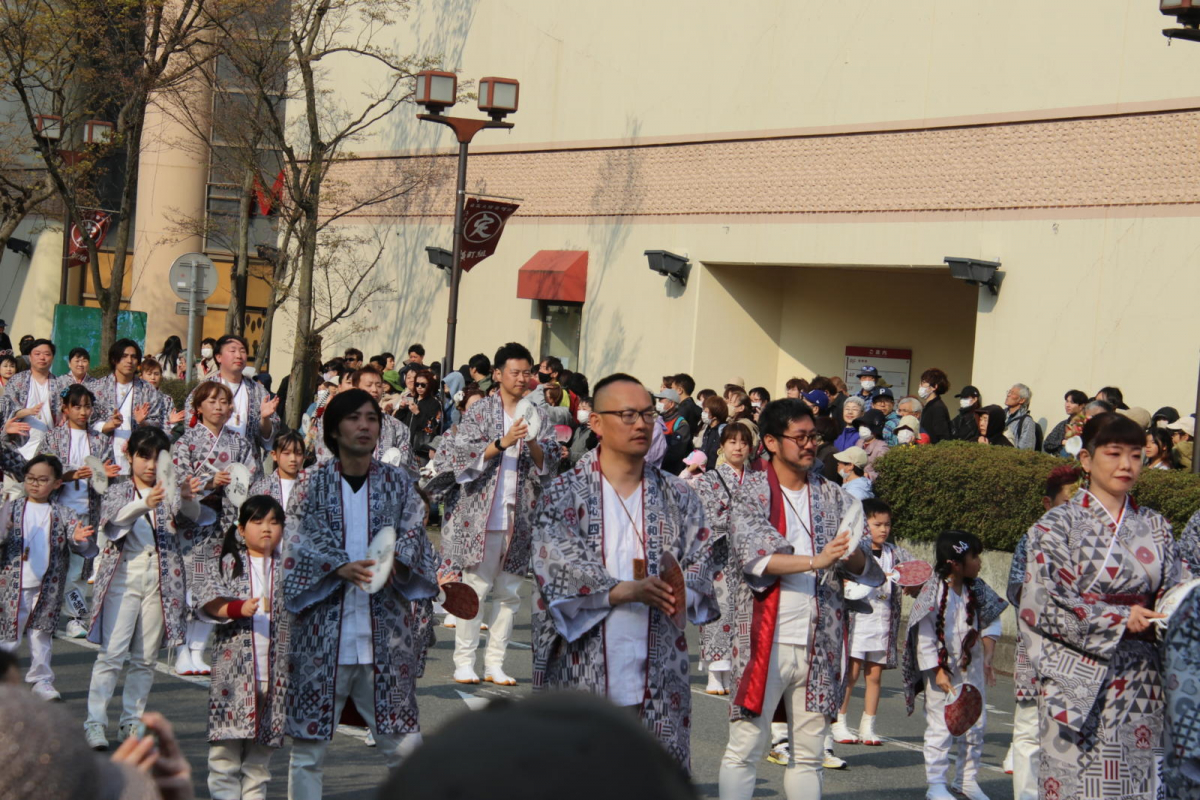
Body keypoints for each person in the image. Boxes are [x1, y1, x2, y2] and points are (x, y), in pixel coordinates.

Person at [530, 372, 718, 767]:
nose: (641, 424)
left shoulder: (679, 494)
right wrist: (626, 590)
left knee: (650, 777)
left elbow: (702, 557)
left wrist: (682, 586)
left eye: (648, 414)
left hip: (660, 658)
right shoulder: (564, 493)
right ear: (595, 422)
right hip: (584, 657)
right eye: (627, 414)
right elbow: (555, 564)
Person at [719, 398, 883, 800]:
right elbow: (754, 556)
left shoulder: (835, 495)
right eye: (801, 437)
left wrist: (852, 554)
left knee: (809, 754)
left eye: (814, 437)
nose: (810, 445)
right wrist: (817, 559)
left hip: (819, 640)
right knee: (746, 747)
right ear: (772, 442)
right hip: (763, 639)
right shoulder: (751, 491)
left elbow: (863, 563)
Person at [283, 389, 441, 799]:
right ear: (334, 429)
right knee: (308, 749)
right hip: (321, 635)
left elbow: (414, 534)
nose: (365, 426)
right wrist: (335, 565)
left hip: (385, 635)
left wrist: (395, 565)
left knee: (405, 746)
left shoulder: (397, 483)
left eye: (372, 418)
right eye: (354, 418)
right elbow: (294, 542)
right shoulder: (311, 484)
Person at [1021, 412, 1182, 800]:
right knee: (1078, 782)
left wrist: (1174, 609)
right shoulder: (1054, 526)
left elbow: (1175, 591)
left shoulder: (1157, 527)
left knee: (1140, 780)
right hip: (1078, 679)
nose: (1126, 465)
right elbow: (1045, 602)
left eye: (1137, 455)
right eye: (1114, 454)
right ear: (1087, 461)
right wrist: (1119, 618)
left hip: (1144, 675)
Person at [442, 342, 559, 686]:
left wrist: (533, 440)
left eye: (527, 372)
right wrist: (505, 440)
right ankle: (464, 661)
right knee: (474, 588)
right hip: (482, 514)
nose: (523, 378)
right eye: (515, 372)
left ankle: (495, 662)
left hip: (519, 515)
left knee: (509, 594)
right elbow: (462, 457)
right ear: (498, 374)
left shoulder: (538, 412)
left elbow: (549, 461)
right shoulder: (480, 411)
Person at [84, 426, 203, 751]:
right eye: (143, 456)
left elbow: (192, 520)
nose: (150, 465)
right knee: (112, 654)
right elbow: (113, 525)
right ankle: (95, 722)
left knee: (146, 657)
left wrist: (189, 499)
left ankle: (131, 721)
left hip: (162, 577)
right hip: (124, 574)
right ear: (130, 456)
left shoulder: (170, 490)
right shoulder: (119, 489)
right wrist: (144, 503)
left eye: (156, 458)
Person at [193, 495, 290, 800]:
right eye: (258, 521)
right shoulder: (226, 563)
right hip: (234, 674)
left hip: (278, 673)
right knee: (225, 751)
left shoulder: (292, 568)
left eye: (274, 522)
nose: (266, 529)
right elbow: (208, 602)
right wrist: (237, 608)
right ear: (240, 528)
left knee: (261, 756)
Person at [902, 530, 1006, 800]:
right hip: (942, 670)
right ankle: (936, 783)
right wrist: (936, 671)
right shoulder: (932, 592)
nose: (980, 562)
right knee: (941, 725)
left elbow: (993, 619)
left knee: (976, 724)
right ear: (955, 563)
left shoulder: (978, 587)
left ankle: (966, 781)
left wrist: (989, 654)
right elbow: (923, 635)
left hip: (972, 667)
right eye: (975, 556)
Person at [170, 381, 261, 676]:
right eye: (211, 401)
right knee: (188, 588)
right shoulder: (186, 443)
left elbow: (250, 479)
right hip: (192, 523)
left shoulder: (240, 444)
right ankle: (182, 649)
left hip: (224, 525)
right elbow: (178, 482)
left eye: (224, 402)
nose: (219, 407)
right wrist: (208, 483)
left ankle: (198, 651)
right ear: (198, 408)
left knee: (214, 587)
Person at [1003, 463, 1083, 800]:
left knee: (1076, 736)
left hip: (1085, 648)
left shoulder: (1100, 539)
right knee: (1029, 731)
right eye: (1069, 503)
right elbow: (1017, 591)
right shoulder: (1033, 535)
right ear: (1047, 504)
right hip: (1037, 645)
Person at [0, 454, 97, 701]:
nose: (34, 484)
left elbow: (81, 547)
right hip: (14, 583)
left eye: (42, 479)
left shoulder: (63, 513)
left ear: (56, 483)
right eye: (30, 478)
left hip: (48, 585)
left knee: (41, 634)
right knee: (9, 633)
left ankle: (41, 680)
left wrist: (79, 539)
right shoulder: (12, 508)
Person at [832, 498, 915, 747]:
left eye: (887, 524)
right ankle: (839, 721)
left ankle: (868, 726)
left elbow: (916, 570)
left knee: (875, 676)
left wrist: (914, 584)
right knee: (852, 673)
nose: (883, 529)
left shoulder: (896, 552)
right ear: (864, 525)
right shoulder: (857, 550)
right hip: (859, 620)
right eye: (877, 524)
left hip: (883, 621)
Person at [40, 384, 119, 639]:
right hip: (55, 511)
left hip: (86, 512)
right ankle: (43, 616)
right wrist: (70, 474)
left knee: (77, 570)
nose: (83, 411)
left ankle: (76, 617)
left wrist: (103, 475)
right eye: (77, 406)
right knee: (50, 567)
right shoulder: (53, 437)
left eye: (87, 406)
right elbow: (41, 473)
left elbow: (110, 475)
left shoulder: (99, 440)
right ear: (65, 408)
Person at [694, 422, 754, 696]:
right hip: (718, 555)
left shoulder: (759, 481)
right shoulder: (708, 480)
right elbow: (703, 516)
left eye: (743, 442)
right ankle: (714, 671)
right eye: (732, 442)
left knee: (745, 613)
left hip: (749, 558)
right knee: (719, 611)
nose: (738, 447)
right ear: (722, 447)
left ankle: (732, 670)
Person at [185, 335, 279, 461]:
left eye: (242, 351)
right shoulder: (204, 389)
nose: (238, 356)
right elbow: (190, 425)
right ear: (218, 357)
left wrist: (265, 418)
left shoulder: (258, 391)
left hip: (247, 466)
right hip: (210, 463)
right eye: (232, 351)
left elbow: (268, 437)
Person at [92, 339, 170, 475]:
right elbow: (87, 421)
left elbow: (158, 423)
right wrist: (108, 426)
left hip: (138, 455)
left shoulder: (148, 390)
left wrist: (143, 422)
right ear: (114, 359)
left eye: (134, 357)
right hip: (104, 455)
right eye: (124, 356)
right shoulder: (97, 388)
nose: (129, 361)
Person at [315, 366, 413, 471]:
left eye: (379, 385)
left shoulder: (397, 426)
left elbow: (406, 466)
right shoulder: (334, 420)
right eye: (369, 385)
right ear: (356, 387)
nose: (374, 390)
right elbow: (325, 456)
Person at [0, 338, 59, 461]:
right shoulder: (16, 381)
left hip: (49, 448)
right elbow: (6, 410)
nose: (42, 358)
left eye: (47, 354)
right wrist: (26, 411)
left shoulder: (61, 384)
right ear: (30, 357)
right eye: (37, 354)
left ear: (52, 358)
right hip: (18, 448)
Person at [250, 430, 307, 511]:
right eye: (287, 453)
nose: (293, 459)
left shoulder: (311, 487)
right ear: (274, 455)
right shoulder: (260, 488)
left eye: (299, 453)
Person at [655, 387, 692, 474]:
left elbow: (676, 452)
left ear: (671, 404)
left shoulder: (681, 424)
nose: (658, 403)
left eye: (661, 400)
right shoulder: (658, 419)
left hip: (670, 472)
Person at [1043, 390, 1089, 456]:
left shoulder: (1086, 425)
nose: (1067, 405)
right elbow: (1047, 444)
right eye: (1067, 401)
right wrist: (1062, 442)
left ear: (1082, 406)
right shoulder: (1062, 424)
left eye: (1072, 402)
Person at [917, 368, 952, 444]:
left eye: (923, 383)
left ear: (934, 387)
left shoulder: (937, 408)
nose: (920, 386)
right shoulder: (930, 405)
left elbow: (943, 436)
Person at [855, 409, 889, 480]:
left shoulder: (882, 448)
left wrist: (866, 476)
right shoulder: (859, 442)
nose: (862, 427)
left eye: (865, 425)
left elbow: (881, 472)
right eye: (861, 424)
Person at [1003, 384, 1038, 450]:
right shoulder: (1000, 414)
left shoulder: (1027, 421)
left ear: (1022, 400)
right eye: (1009, 392)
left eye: (1012, 393)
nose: (1008, 395)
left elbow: (1026, 450)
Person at [698, 394, 729, 469]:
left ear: (715, 414)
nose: (703, 413)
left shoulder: (723, 430)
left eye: (706, 411)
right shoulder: (708, 428)